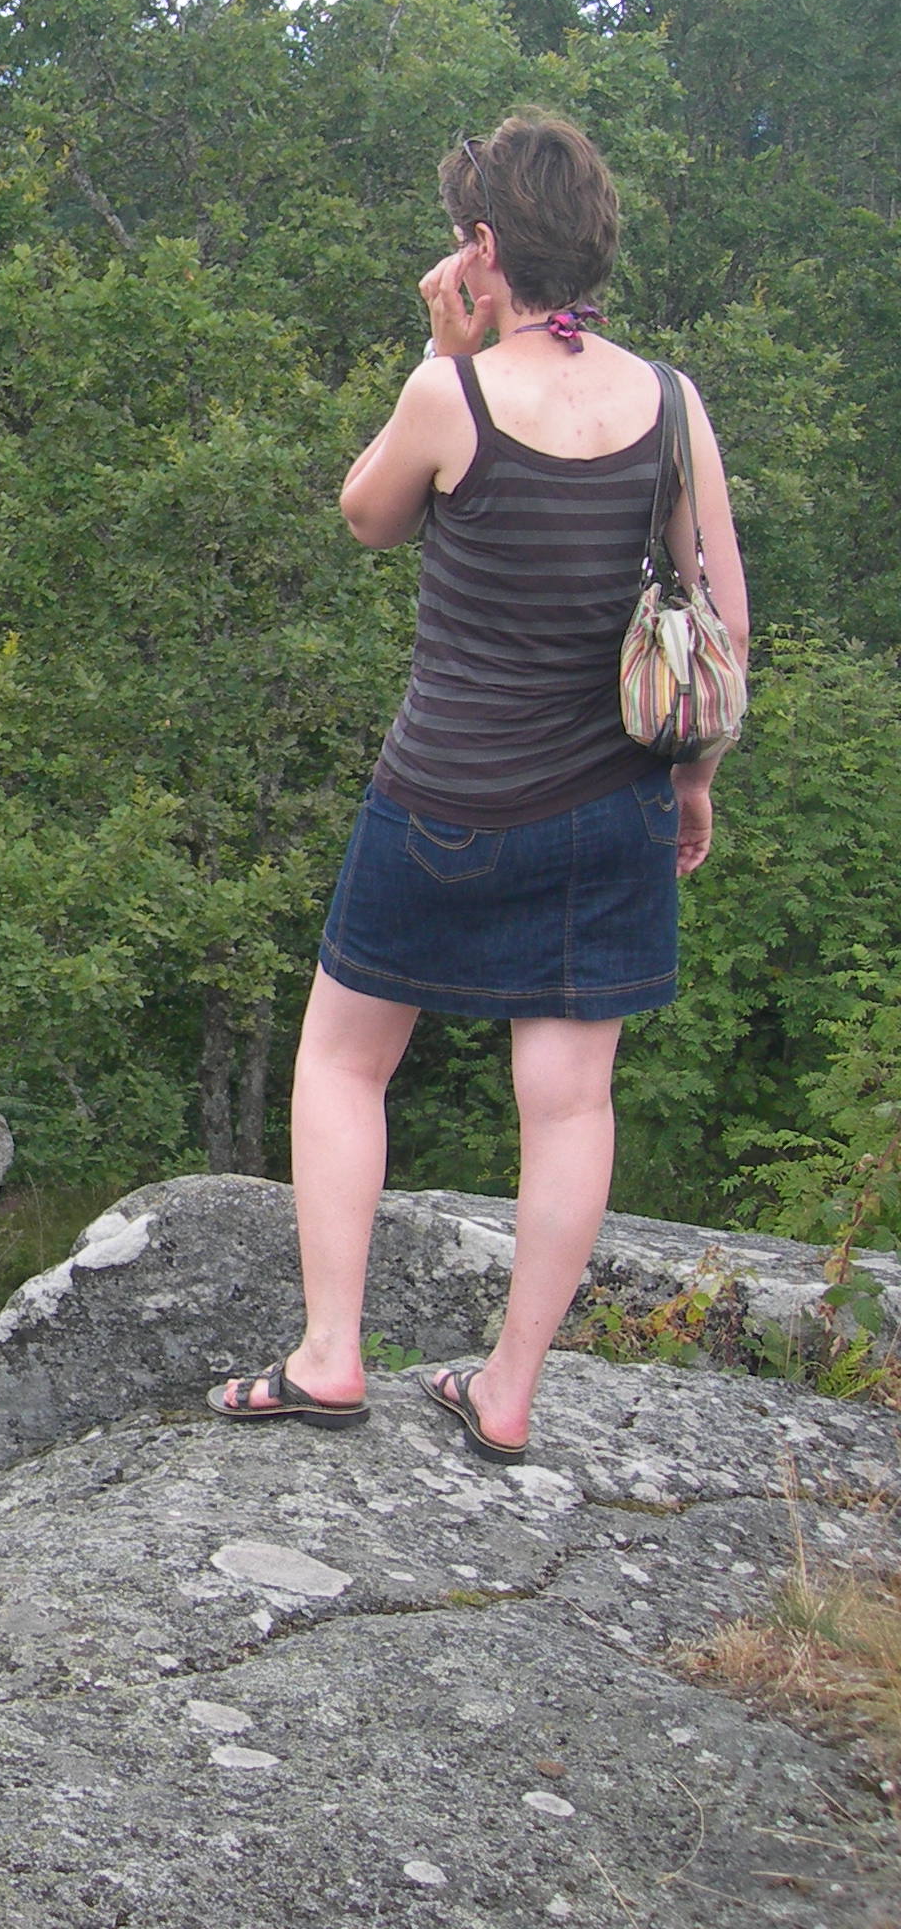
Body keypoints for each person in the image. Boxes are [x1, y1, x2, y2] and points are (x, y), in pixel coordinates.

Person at [208, 112, 749, 1462]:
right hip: (605, 809)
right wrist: (692, 785)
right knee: (568, 1103)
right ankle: (505, 1394)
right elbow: (721, 630)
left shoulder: (450, 396)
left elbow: (367, 516)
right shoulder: (674, 407)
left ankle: (332, 1357)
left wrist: (440, 365)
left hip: (438, 800)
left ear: (487, 248)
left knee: (342, 1060)